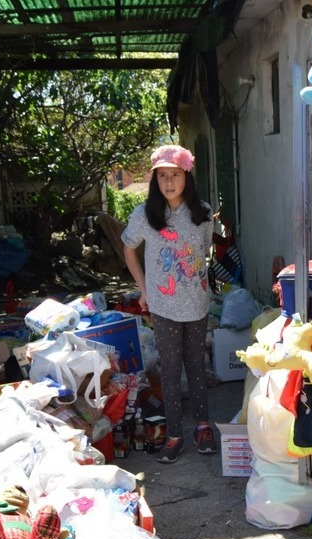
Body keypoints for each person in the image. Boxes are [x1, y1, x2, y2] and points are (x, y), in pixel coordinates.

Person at [122, 144, 217, 463]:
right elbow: (128, 249)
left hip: (197, 304)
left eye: (175, 175)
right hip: (163, 307)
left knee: (197, 367)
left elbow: (203, 251)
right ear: (155, 180)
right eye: (162, 176)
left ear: (186, 177)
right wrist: (144, 288)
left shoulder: (202, 213)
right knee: (171, 370)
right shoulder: (144, 215)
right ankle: (174, 433)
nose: (169, 182)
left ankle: (203, 426)